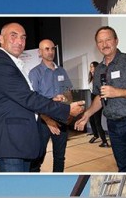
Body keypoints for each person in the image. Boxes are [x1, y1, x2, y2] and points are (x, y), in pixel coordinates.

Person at [0, 22, 85, 172]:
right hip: (11, 143)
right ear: (0, 39)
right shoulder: (1, 65)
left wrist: (57, 103)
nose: (19, 41)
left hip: (20, 140)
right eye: (13, 36)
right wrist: (66, 110)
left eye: (23, 37)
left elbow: (26, 97)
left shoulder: (17, 65)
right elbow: (29, 99)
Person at [75, 26, 126, 172]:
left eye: (108, 40)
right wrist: (86, 115)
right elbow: (99, 97)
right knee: (122, 167)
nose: (105, 44)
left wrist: (118, 92)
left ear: (116, 41)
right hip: (113, 126)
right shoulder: (99, 70)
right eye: (100, 41)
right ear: (97, 45)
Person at [28, 39, 73, 173]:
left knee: (60, 158)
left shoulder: (61, 71)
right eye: (46, 49)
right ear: (40, 52)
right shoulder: (35, 73)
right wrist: (48, 120)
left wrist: (66, 98)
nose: (50, 52)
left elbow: (69, 94)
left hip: (61, 119)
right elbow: (33, 100)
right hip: (43, 121)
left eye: (52, 48)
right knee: (38, 157)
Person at [87, 61, 109, 147]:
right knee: (91, 119)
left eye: (92, 67)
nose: (91, 69)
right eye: (90, 67)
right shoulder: (91, 77)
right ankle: (95, 135)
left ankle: (104, 141)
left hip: (99, 98)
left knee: (97, 121)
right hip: (93, 98)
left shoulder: (99, 76)